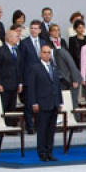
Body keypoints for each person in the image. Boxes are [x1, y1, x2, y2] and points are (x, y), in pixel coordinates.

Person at [20, 28, 62, 161]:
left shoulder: (54, 67)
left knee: (51, 130)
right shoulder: (35, 68)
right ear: (40, 54)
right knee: (42, 129)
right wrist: (34, 102)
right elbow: (31, 87)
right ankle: (42, 152)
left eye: (49, 53)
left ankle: (49, 151)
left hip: (53, 102)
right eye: (44, 52)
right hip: (42, 102)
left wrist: (60, 101)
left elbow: (57, 85)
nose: (47, 55)